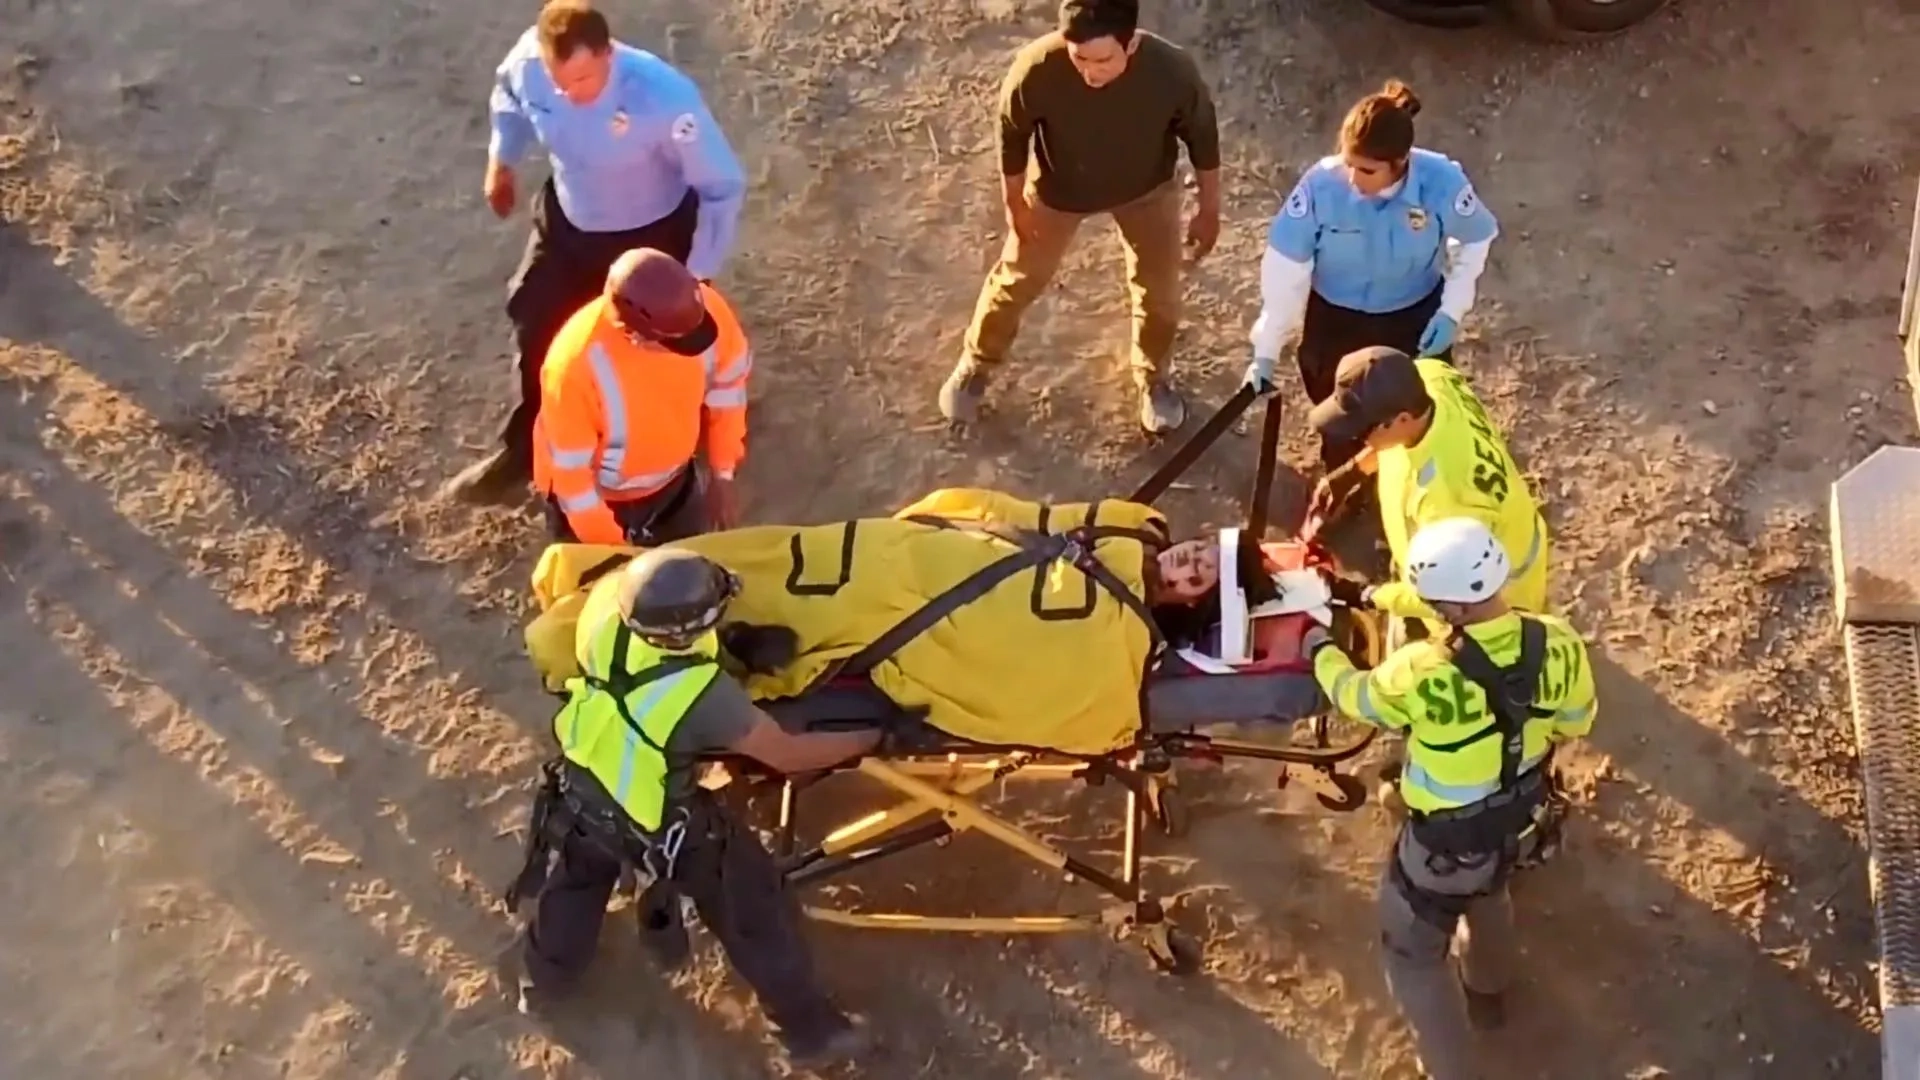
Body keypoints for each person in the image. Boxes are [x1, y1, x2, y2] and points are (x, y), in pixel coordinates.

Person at [503, 547, 880, 1066]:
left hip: (582, 790)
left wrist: (730, 648)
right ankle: (813, 1033)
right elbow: (789, 757)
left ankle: (542, 982)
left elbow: (653, 666)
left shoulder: (604, 612)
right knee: (753, 908)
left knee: (576, 883)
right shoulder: (702, 697)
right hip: (662, 824)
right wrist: (870, 737)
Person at [1301, 517, 1595, 1080]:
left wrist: (1319, 646)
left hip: (1445, 845)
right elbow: (1577, 721)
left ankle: (1448, 1070)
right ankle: (1489, 994)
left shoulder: (1421, 669)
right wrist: (1370, 593)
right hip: (1521, 816)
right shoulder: (1557, 641)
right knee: (1490, 894)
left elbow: (1354, 696)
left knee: (1412, 954)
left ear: (1451, 610)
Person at [446, 0, 748, 505]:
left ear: (609, 53)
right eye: (558, 81)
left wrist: (694, 276)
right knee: (536, 325)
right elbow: (509, 98)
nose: (568, 94)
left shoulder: (663, 97)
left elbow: (722, 184)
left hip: (652, 236)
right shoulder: (529, 65)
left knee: (663, 348)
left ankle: (692, 446)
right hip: (570, 223)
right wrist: (502, 161)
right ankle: (527, 448)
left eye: (583, 80)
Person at [939, 0, 1223, 436]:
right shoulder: (1036, 68)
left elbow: (1203, 138)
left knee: (1160, 291)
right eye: (1079, 57)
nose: (1089, 71)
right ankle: (977, 363)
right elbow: (1012, 135)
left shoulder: (1171, 72)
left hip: (1146, 190)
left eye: (1103, 60)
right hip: (1059, 190)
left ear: (1130, 46)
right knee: (1018, 277)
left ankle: (1153, 377)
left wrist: (1209, 209)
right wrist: (1015, 204)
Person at [1244, 79, 1499, 470]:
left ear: (1400, 163)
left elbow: (1475, 240)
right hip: (1337, 322)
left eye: (1366, 170)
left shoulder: (1441, 183)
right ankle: (1346, 486)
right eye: (1348, 164)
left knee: (1415, 419)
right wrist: (1265, 350)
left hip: (1411, 318)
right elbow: (1287, 271)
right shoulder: (1320, 188)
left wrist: (1451, 312)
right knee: (1342, 421)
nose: (1352, 179)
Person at [1305, 346, 1549, 625]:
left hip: (1487, 601)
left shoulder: (1445, 504)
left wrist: (1371, 595)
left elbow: (1448, 594)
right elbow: (1391, 443)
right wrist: (1350, 473)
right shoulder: (1430, 377)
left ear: (1402, 419)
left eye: (1362, 431)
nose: (1358, 440)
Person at [533, 248, 752, 545]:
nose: (695, 343)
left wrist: (722, 471)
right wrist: (614, 553)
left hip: (674, 486)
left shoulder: (703, 309)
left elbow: (728, 390)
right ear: (634, 334)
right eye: (676, 341)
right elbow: (574, 483)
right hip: (598, 503)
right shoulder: (573, 367)